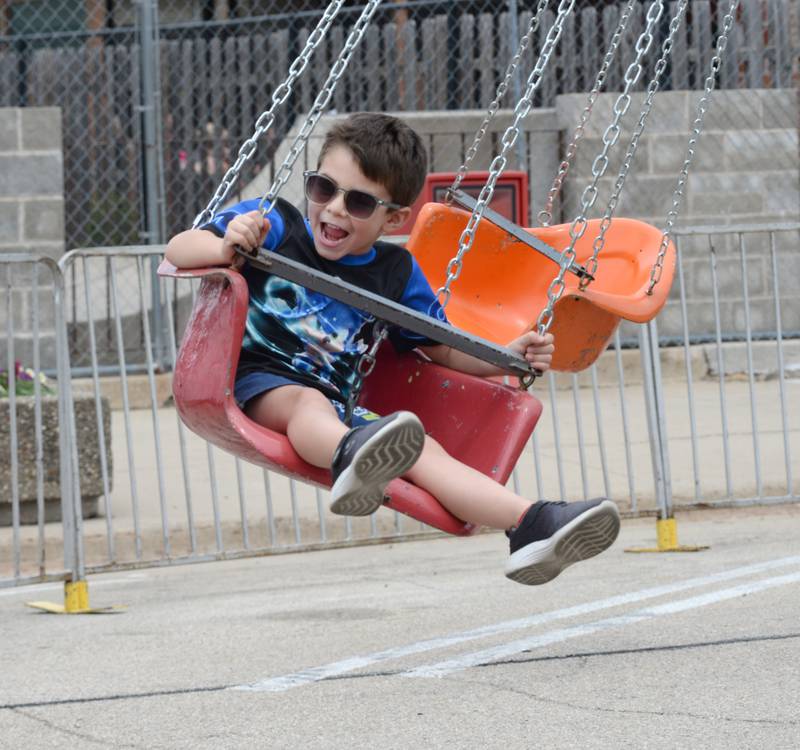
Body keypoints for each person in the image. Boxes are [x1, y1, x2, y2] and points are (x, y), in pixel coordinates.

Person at [165, 112, 620, 585]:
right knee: (307, 402)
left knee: (425, 448)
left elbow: (442, 350)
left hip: (341, 410)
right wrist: (227, 246)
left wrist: (506, 354)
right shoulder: (276, 223)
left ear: (395, 217)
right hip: (259, 383)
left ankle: (530, 523)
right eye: (324, 188)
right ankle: (349, 457)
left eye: (359, 202)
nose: (335, 208)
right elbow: (179, 249)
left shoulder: (397, 272)